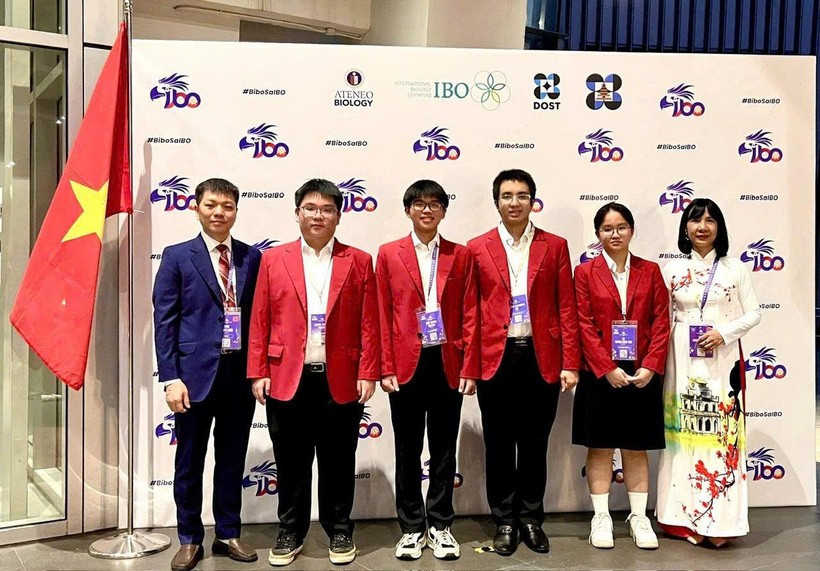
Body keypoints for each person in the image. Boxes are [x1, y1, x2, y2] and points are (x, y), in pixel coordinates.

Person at [247, 179, 380, 566]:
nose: (318, 215)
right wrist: (258, 370)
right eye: (310, 208)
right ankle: (291, 530)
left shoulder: (358, 260)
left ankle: (339, 529)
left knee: (339, 460)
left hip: (341, 377)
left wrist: (368, 371)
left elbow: (369, 321)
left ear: (338, 216)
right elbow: (260, 317)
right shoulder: (273, 259)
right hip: (287, 376)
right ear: (297, 213)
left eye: (326, 209)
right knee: (291, 461)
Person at [467, 169, 580, 556]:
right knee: (498, 444)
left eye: (521, 195)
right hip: (495, 359)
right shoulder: (477, 247)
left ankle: (531, 518)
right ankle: (504, 520)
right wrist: (470, 367)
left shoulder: (555, 245)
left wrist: (570, 362)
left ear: (533, 201)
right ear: (496, 202)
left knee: (535, 443)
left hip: (540, 356)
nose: (514, 202)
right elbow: (471, 313)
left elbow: (566, 306)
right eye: (507, 196)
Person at [152, 178, 262, 571]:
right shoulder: (177, 256)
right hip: (192, 378)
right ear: (196, 207)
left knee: (231, 460)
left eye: (227, 206)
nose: (219, 212)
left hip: (238, 377)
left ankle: (228, 533)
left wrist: (258, 371)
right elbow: (164, 321)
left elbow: (259, 319)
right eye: (212, 204)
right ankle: (189, 538)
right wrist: (171, 378)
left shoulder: (252, 257)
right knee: (189, 462)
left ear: (236, 211)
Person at [375, 180, 480, 561]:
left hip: (447, 362)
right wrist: (385, 365)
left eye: (435, 204)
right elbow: (381, 312)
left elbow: (471, 311)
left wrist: (469, 365)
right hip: (405, 364)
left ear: (443, 211)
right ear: (408, 210)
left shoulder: (460, 254)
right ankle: (411, 528)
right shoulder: (389, 253)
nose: (427, 210)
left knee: (443, 449)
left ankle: (440, 525)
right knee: (407, 449)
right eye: (419, 204)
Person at [655, 198, 761, 547]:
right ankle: (680, 520)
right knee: (683, 433)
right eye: (695, 220)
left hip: (722, 358)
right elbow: (660, 317)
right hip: (680, 359)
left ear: (720, 227)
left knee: (720, 435)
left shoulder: (735, 268)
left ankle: (720, 522)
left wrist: (724, 332)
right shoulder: (672, 269)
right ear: (685, 228)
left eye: (710, 220)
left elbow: (754, 313)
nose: (702, 227)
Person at [572, 202, 670, 550]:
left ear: (632, 230)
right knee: (600, 446)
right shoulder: (585, 273)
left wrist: (651, 365)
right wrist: (606, 368)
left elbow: (661, 320)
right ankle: (601, 517)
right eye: (607, 228)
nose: (615, 234)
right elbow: (582, 323)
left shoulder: (650, 270)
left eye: (621, 227)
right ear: (597, 234)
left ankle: (638, 517)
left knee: (635, 446)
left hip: (641, 371)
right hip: (600, 373)